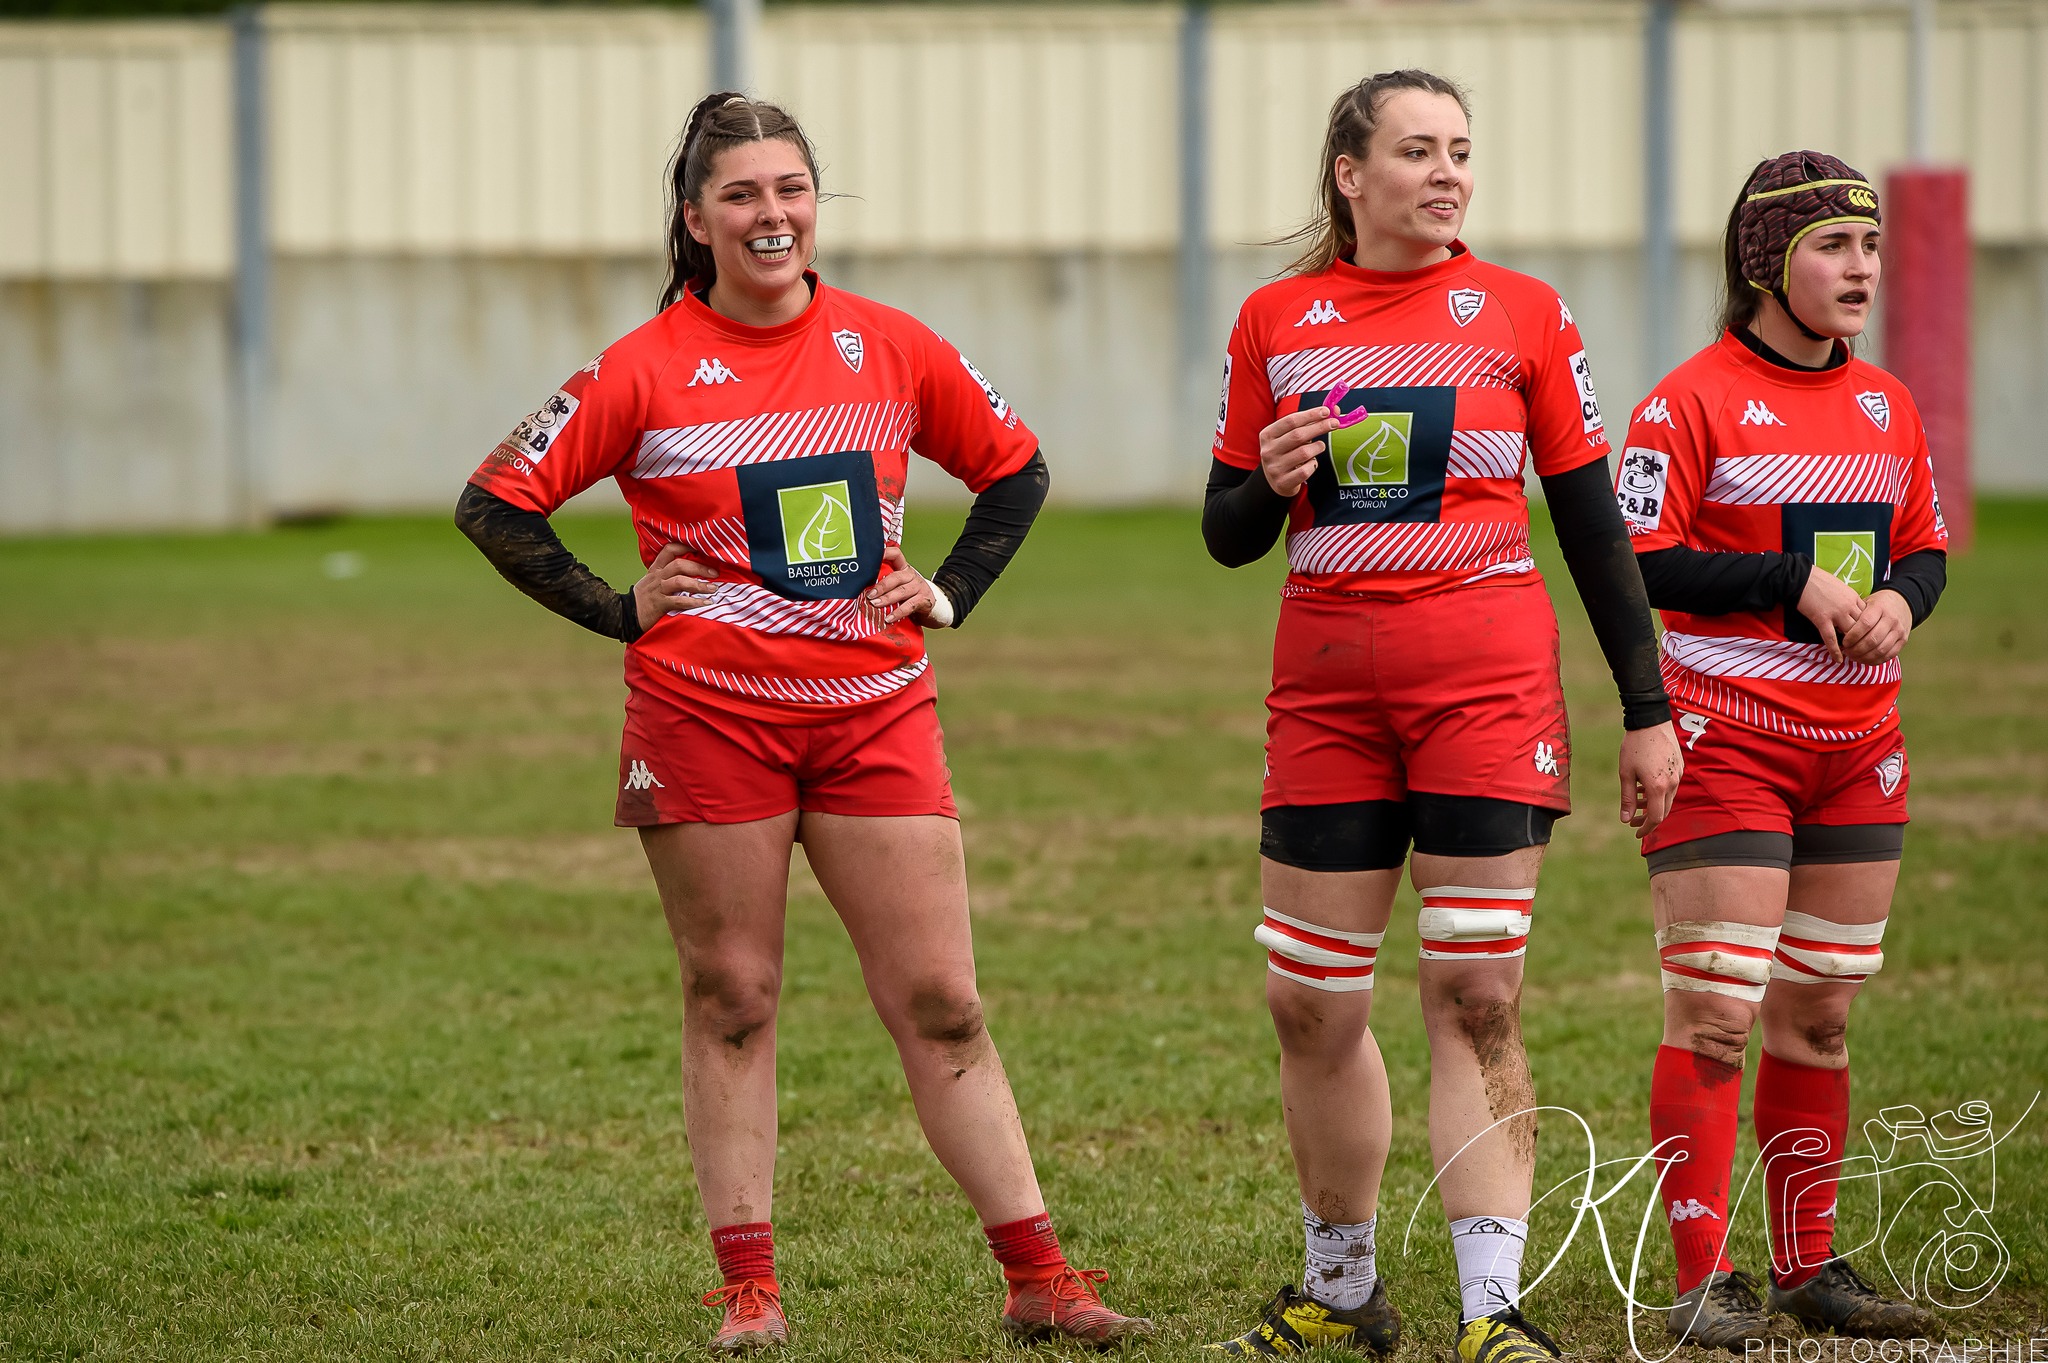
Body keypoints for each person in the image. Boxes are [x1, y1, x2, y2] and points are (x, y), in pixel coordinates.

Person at [454, 92, 1151, 1354]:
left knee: (942, 997)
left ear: (813, 204)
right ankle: (749, 1292)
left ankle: (1041, 1276)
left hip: (877, 714)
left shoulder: (887, 345)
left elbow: (1016, 468)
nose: (769, 215)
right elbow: (496, 503)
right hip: (704, 717)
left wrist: (948, 589)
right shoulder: (640, 366)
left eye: (789, 190)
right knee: (733, 993)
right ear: (695, 218)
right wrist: (619, 609)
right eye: (740, 195)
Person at [1200, 69, 1682, 1363]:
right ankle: (1341, 1286)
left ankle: (1492, 1309)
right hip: (1326, 698)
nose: (1448, 171)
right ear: (1349, 173)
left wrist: (1649, 709)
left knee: (1476, 990)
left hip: (1485, 689)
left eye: (1460, 149)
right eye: (1417, 150)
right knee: (1310, 1000)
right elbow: (1226, 531)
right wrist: (1269, 480)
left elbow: (1593, 523)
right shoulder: (1276, 318)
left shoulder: (1521, 312)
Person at [1619, 150, 1945, 1349]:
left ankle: (1808, 1267)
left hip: (1860, 747)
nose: (1858, 268)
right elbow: (1641, 560)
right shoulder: (1686, 400)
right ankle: (1702, 1279)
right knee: (1713, 1010)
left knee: (1818, 1019)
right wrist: (1788, 580)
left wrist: (1904, 599)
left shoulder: (1885, 403)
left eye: (1866, 247)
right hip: (1725, 743)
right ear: (1765, 262)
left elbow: (1926, 546)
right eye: (1828, 246)